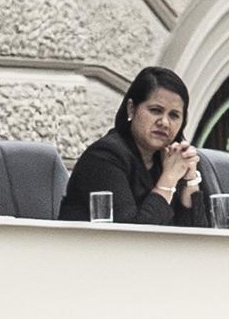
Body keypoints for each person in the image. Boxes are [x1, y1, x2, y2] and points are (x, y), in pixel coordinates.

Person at [59, 66, 214, 226]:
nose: (165, 123)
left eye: (174, 115)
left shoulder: (168, 159)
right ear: (131, 109)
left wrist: (190, 180)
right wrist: (169, 179)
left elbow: (197, 240)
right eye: (155, 110)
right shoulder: (104, 156)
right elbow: (132, 238)